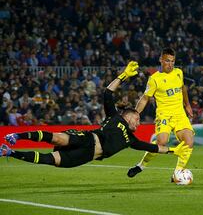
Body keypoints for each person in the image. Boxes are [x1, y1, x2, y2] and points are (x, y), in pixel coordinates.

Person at [1, 61, 191, 168]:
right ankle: (16, 136)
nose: (139, 123)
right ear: (129, 114)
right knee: (56, 138)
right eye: (138, 118)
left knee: (50, 160)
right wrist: (124, 76)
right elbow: (107, 93)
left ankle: (10, 152)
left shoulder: (131, 140)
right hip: (86, 139)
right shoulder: (114, 116)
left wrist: (175, 151)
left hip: (85, 157)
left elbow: (154, 147)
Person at [127, 47, 194, 180]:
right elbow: (145, 98)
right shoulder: (154, 79)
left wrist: (187, 105)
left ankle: (177, 173)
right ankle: (141, 165)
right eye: (167, 61)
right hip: (164, 115)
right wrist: (135, 113)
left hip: (180, 114)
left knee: (189, 141)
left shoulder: (178, 73)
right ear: (161, 60)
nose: (170, 64)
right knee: (161, 142)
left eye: (173, 61)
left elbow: (183, 89)